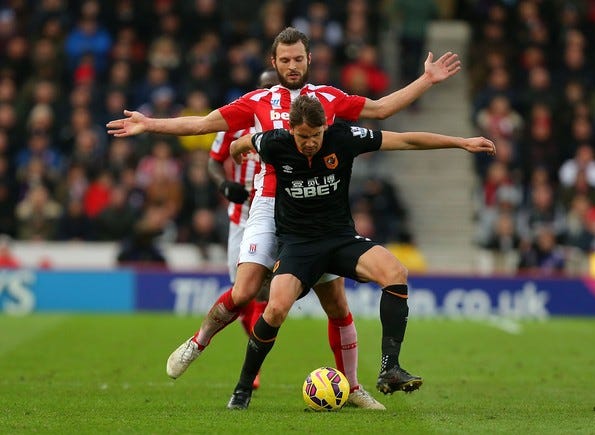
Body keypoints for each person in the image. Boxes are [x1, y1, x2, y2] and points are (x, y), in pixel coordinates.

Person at [107, 27, 461, 409]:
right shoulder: (258, 100)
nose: (292, 66)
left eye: (298, 59)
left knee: (337, 305)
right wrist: (150, 124)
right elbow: (201, 124)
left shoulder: (329, 98)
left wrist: (426, 80)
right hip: (267, 204)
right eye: (285, 60)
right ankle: (199, 341)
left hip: (318, 216)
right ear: (273, 62)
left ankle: (354, 386)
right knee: (245, 292)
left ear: (310, 59)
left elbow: (380, 109)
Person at [225, 95, 496, 409]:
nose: (310, 143)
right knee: (274, 310)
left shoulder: (344, 137)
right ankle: (243, 389)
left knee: (395, 272)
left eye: (316, 135)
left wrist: (460, 142)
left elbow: (406, 140)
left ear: (326, 126)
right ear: (291, 130)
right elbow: (241, 143)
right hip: (298, 244)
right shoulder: (273, 142)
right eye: (302, 137)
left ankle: (390, 369)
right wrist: (236, 153)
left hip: (340, 238)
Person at [207, 69, 279, 389]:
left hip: (276, 212)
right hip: (241, 214)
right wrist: (224, 185)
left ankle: (255, 364)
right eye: (263, 85)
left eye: (272, 86)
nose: (267, 91)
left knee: (263, 289)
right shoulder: (238, 119)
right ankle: (255, 352)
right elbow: (213, 161)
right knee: (240, 292)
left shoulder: (286, 122)